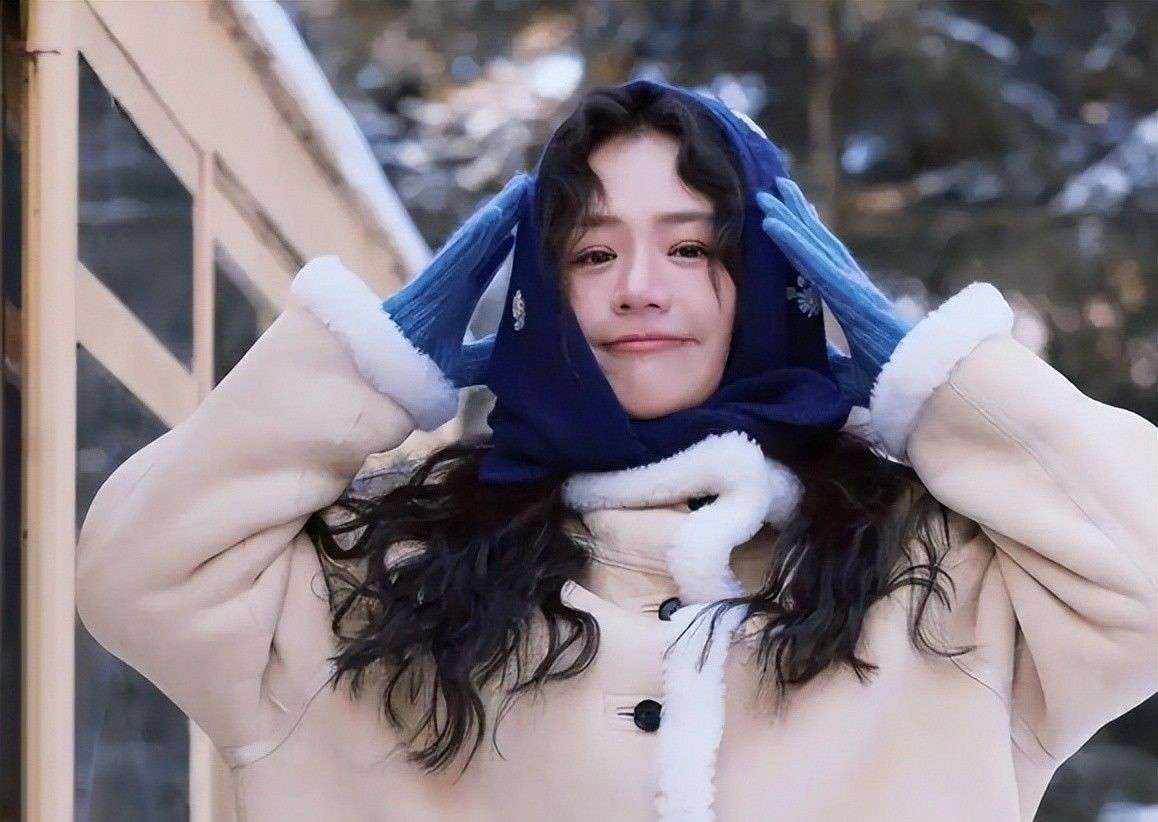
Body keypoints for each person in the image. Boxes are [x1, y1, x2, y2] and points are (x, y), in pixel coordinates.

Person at [75, 80, 1157, 821]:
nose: (639, 287)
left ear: (777, 272)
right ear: (542, 286)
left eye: (692, 247)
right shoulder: (378, 580)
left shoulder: (943, 578)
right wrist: (355, 376)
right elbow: (133, 576)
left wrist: (942, 387)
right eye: (592, 252)